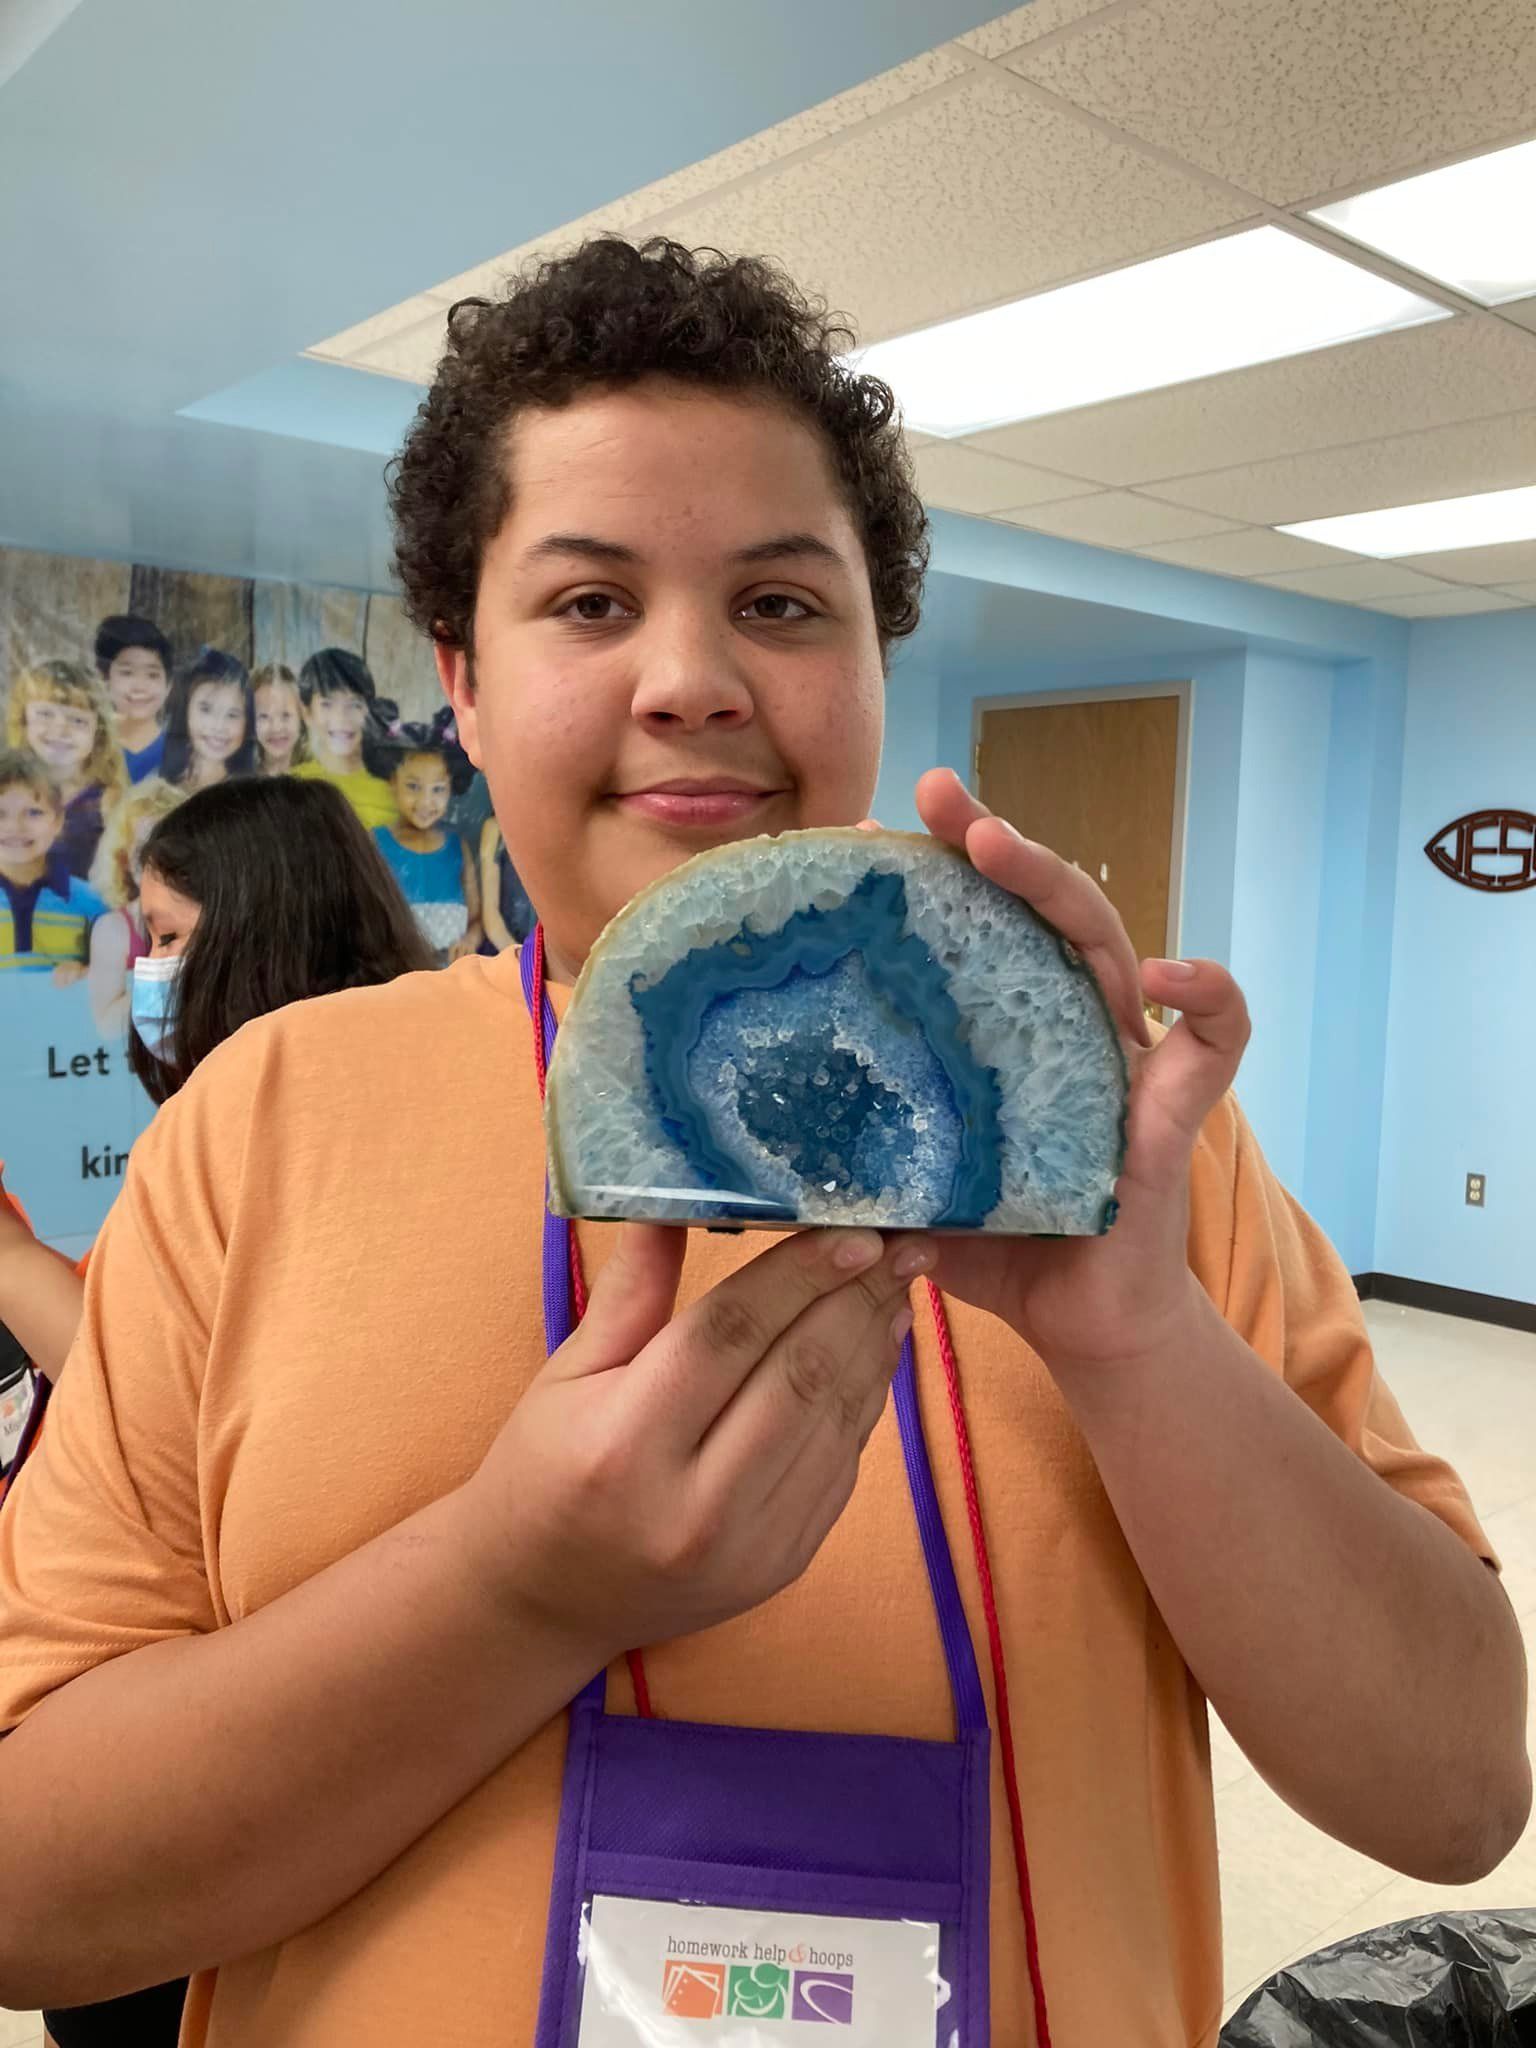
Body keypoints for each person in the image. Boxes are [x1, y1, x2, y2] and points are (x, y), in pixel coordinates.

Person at [0, 240, 1524, 2048]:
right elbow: (37, 1897)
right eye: (586, 603)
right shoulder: (260, 1126)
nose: (693, 677)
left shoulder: (1125, 1149)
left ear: (879, 661)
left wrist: (1135, 1334)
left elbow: (1449, 1796)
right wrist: (518, 1585)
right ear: (462, 686)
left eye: (786, 604)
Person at [0, 773, 433, 2048]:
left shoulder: (348, 1144)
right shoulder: (213, 1129)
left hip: (258, 1751)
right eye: (142, 935)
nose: (147, 968)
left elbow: (163, 1410)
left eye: (173, 937)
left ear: (268, 928)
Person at [373, 713, 482, 964]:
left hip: (448, 975)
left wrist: (469, 942)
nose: (425, 801)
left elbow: (476, 919)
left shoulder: (457, 848)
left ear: (451, 789)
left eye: (438, 789)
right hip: (395, 972)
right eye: (413, 786)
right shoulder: (375, 844)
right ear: (393, 782)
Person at [4, 660, 127, 881]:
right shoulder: (4, 788)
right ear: (23, 719)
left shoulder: (109, 801)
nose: (60, 729)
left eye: (77, 720)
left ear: (97, 733)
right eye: (45, 714)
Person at [85, 777, 184, 1035]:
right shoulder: (114, 930)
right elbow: (106, 1026)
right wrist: (169, 977)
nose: (156, 862)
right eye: (142, 849)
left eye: (167, 849)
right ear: (123, 858)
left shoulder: (208, 917)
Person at [0, 750, 102, 979]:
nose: (15, 827)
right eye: (0, 814)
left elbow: (113, 977)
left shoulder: (91, 903)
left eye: (33, 813)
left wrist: (86, 973)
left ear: (57, 821)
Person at [290, 647, 399, 828]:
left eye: (354, 705)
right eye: (327, 704)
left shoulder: (395, 788)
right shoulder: (293, 786)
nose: (341, 718)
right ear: (307, 712)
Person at [160, 648, 256, 790]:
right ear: (186, 710)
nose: (218, 726)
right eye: (206, 710)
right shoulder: (158, 785)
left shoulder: (252, 794)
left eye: (232, 715)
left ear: (247, 721)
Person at [94, 616, 173, 782]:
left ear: (168, 686)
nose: (140, 687)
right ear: (104, 678)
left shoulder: (180, 755)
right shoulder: (89, 748)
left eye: (153, 675)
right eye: (127, 673)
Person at [477, 812, 534, 951]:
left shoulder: (558, 830)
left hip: (548, 957)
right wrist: (523, 960)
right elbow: (491, 916)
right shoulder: (496, 829)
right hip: (504, 951)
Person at [251, 662, 308, 776]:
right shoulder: (239, 779)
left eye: (285, 715)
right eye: (264, 716)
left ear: (301, 718)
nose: (276, 728)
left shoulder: (318, 776)